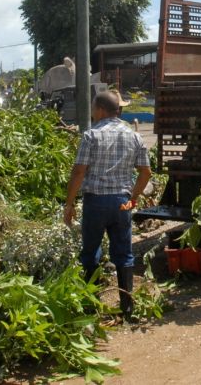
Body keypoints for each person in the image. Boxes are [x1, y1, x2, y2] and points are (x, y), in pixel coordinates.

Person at [64, 91, 152, 320]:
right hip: (122, 203)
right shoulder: (134, 136)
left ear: (101, 110)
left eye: (94, 108)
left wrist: (69, 203)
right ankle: (128, 308)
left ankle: (91, 306)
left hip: (96, 202)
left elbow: (79, 172)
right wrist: (133, 198)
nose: (93, 113)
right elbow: (146, 172)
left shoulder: (92, 135)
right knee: (124, 253)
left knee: (91, 253)